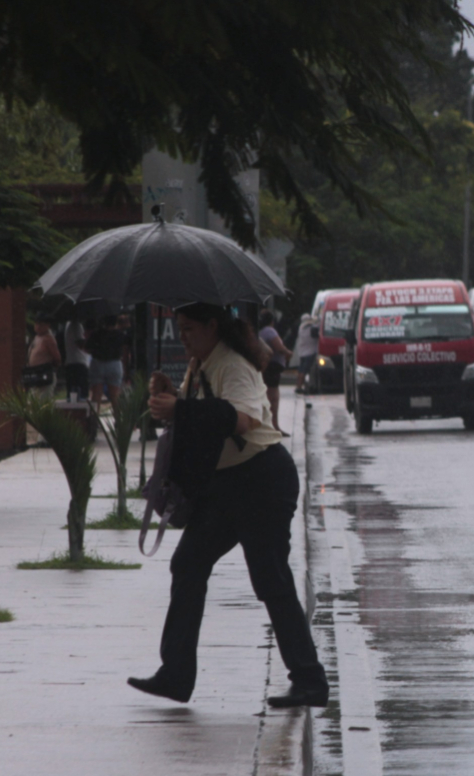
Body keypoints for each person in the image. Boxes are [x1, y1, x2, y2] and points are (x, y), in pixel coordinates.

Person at [129, 303, 328, 708]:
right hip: (226, 485)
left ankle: (310, 681)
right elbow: (203, 414)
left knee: (270, 578)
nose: (182, 336)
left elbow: (242, 420)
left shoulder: (232, 363)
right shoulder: (201, 363)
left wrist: (181, 408)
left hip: (262, 480)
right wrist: (175, 395)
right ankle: (176, 675)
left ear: (212, 326)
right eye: (178, 329)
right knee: (187, 565)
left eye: (189, 329)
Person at [257, 310, 292, 433]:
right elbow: (278, 347)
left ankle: (270, 425)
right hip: (272, 368)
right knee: (273, 398)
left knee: (269, 396)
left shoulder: (261, 332)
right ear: (272, 321)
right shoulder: (269, 331)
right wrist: (288, 353)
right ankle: (274, 426)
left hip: (268, 367)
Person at [83, 315, 127, 408]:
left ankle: (94, 421)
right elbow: (125, 351)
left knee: (96, 395)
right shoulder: (120, 335)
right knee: (115, 396)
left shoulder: (96, 334)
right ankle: (118, 421)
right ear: (116, 323)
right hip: (115, 363)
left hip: (98, 363)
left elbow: (87, 348)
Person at [25, 315, 62, 393]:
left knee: (43, 401)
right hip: (34, 374)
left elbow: (57, 358)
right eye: (36, 324)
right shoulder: (36, 337)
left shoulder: (48, 339)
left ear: (47, 325)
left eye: (41, 324)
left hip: (44, 374)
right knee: (33, 401)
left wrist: (47, 367)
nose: (38, 326)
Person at [62, 318, 91, 402]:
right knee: (82, 395)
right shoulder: (77, 325)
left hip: (71, 362)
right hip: (79, 362)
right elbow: (80, 344)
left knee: (72, 395)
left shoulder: (68, 324)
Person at [294, 313, 319, 394]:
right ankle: (301, 387)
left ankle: (299, 386)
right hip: (310, 352)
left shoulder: (301, 328)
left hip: (302, 353)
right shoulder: (311, 328)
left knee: (301, 370)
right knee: (305, 371)